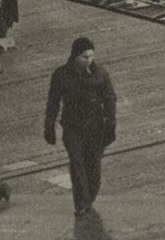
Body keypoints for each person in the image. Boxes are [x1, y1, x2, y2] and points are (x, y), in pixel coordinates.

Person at [44, 37, 118, 214]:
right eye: (85, 56)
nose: (89, 60)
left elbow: (110, 98)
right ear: (75, 56)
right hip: (72, 127)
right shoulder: (60, 75)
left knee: (94, 168)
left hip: (95, 127)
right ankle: (82, 203)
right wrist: (49, 126)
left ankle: (88, 197)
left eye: (91, 56)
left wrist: (111, 122)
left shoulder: (100, 73)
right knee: (77, 164)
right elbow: (53, 102)